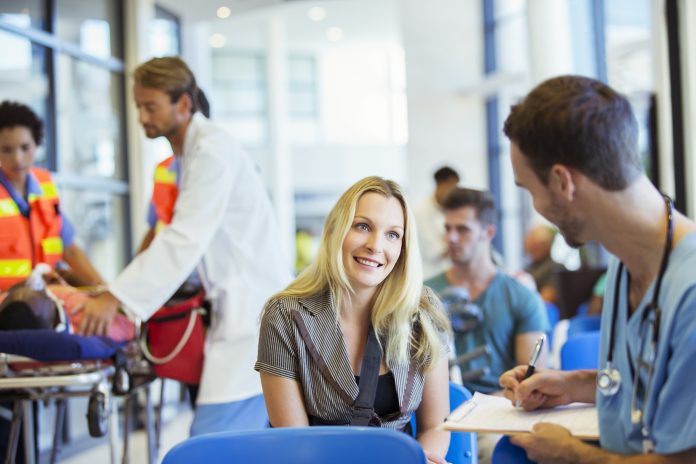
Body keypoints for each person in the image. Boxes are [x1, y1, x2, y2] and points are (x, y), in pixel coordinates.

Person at [79, 56, 291, 435]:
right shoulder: (191, 153)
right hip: (236, 310)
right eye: (138, 106)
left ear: (184, 104)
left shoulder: (211, 152)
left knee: (210, 446)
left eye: (151, 106)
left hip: (251, 315)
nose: (142, 116)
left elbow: (185, 236)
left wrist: (118, 296)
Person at [500, 75, 696, 462]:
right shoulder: (628, 262)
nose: (536, 208)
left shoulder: (688, 290)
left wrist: (574, 455)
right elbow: (650, 384)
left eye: (529, 190)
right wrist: (572, 384)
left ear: (561, 182)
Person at [256, 176, 452, 464]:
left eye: (392, 234)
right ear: (337, 230)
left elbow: (434, 426)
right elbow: (295, 447)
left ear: (404, 247)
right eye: (363, 226)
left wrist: (422, 459)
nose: (375, 245)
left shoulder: (423, 311)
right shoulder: (284, 316)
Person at [425, 188, 548, 394]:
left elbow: (533, 384)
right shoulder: (423, 294)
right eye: (447, 228)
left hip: (500, 410)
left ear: (488, 233)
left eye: (462, 229)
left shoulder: (522, 297)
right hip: (437, 409)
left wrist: (480, 407)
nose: (451, 238)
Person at [0, 101, 104, 291]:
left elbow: (70, 250)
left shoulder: (45, 187)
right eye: (6, 150)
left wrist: (106, 291)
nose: (17, 158)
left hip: (48, 300)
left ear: (36, 144)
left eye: (25, 147)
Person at [415, 166, 460, 280]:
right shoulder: (421, 212)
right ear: (440, 184)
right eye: (452, 186)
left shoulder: (447, 210)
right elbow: (433, 252)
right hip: (429, 276)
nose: (454, 191)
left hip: (447, 274)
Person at [523, 223, 565, 304]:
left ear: (546, 245)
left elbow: (546, 299)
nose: (528, 245)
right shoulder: (527, 269)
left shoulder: (555, 268)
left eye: (534, 243)